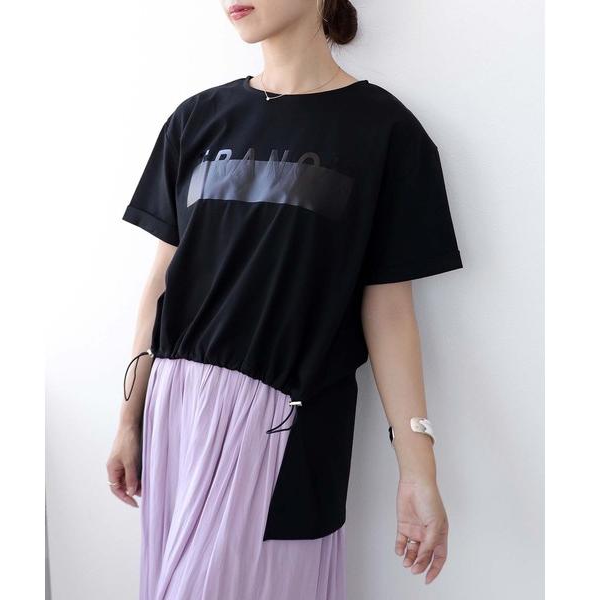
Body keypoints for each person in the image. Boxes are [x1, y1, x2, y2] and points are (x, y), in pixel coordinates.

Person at [106, 1, 463, 598]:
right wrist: (128, 417)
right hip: (178, 409)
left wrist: (417, 468)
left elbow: (390, 311)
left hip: (283, 418)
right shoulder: (198, 118)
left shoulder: (385, 131)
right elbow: (161, 283)